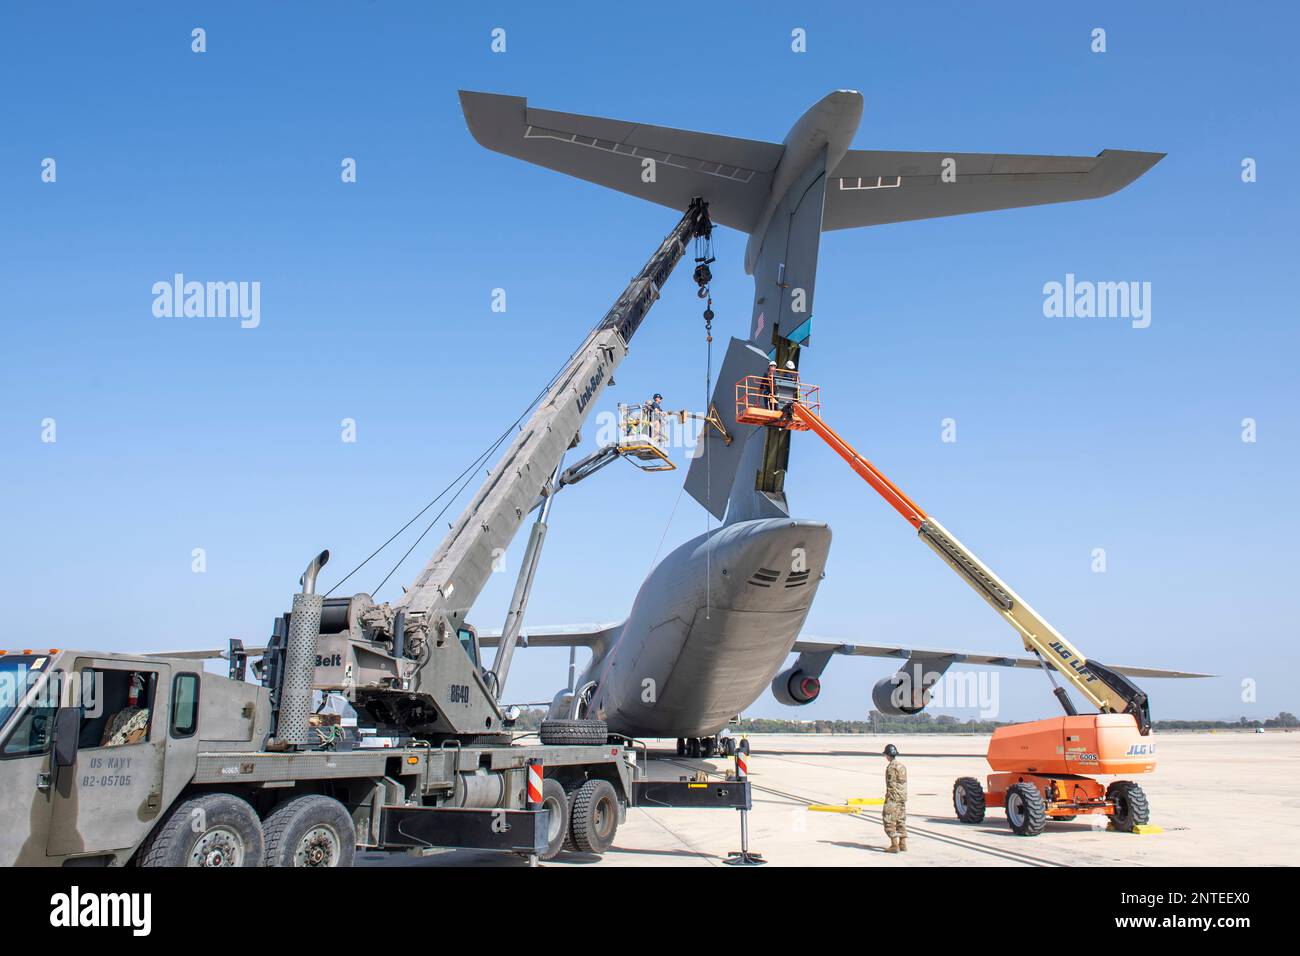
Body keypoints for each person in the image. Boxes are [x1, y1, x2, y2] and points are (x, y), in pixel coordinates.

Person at [882, 743, 908, 853]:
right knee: (901, 820)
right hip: (902, 797)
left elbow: (891, 784)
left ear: (888, 755)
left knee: (888, 819)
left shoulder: (891, 768)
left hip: (893, 798)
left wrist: (889, 798)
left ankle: (894, 845)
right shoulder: (902, 766)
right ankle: (903, 844)